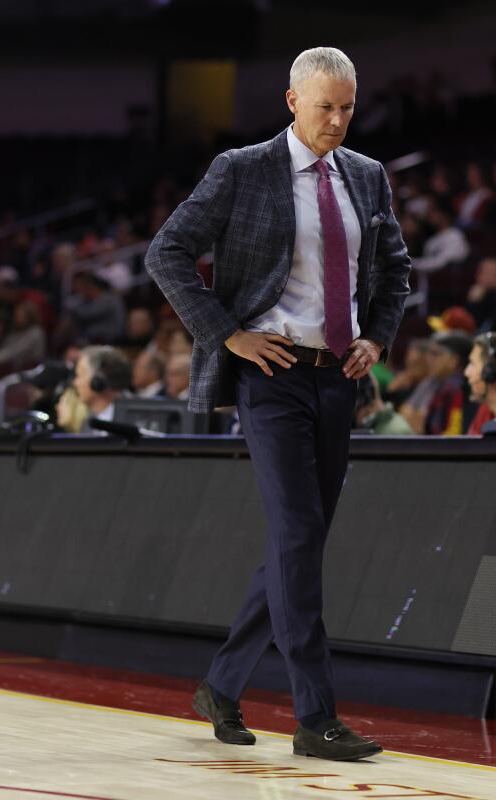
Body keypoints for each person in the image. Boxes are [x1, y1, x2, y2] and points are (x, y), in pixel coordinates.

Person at [145, 46, 410, 761]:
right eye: (324, 106)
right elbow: (166, 253)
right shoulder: (241, 169)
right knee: (298, 536)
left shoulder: (368, 176)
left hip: (338, 379)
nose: (337, 120)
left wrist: (376, 338)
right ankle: (315, 717)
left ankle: (223, 684)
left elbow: (396, 271)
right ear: (291, 101)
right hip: (272, 375)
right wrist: (226, 334)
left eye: (348, 107)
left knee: (301, 542)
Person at [70, 345, 132, 425]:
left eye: (79, 375)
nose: (75, 383)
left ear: (98, 381)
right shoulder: (87, 424)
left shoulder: (135, 418)